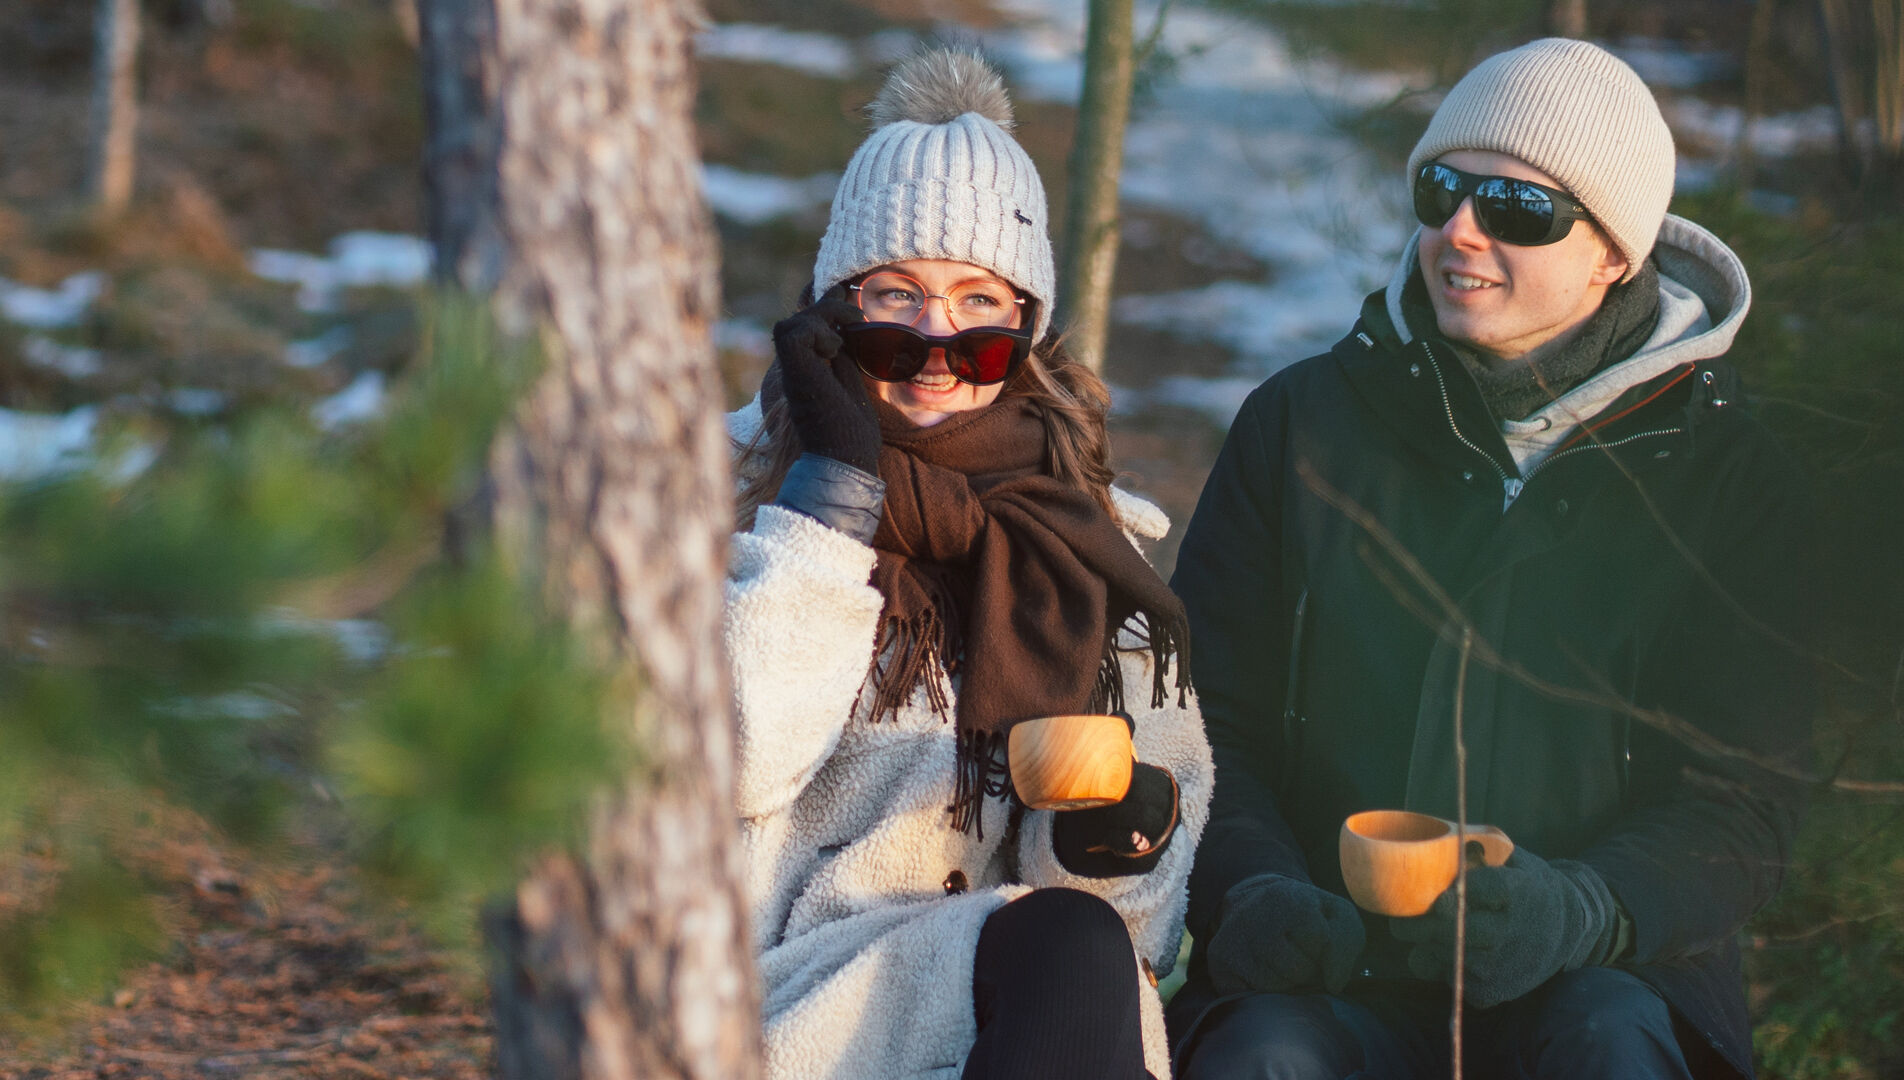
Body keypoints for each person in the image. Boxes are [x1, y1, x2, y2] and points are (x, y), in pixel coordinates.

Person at [1166, 38, 1814, 1080]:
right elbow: (1206, 727)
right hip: (1327, 971)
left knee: (1611, 1053)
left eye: (1519, 210)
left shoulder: (1729, 482)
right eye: (1443, 189)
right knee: (1262, 1059)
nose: (1459, 232)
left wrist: (1587, 911)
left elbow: (1742, 805)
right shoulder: (1301, 427)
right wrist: (1252, 890)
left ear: (1615, 253)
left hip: (1611, 980)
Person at [725, 48, 1211, 1080]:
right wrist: (831, 498)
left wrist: (1114, 845)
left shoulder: (1087, 549)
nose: (938, 343)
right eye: (896, 297)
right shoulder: (718, 497)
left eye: (980, 306)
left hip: (999, 1027)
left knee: (1080, 947)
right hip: (771, 1014)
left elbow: (1135, 940)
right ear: (831, 312)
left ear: (1025, 326)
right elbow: (717, 763)